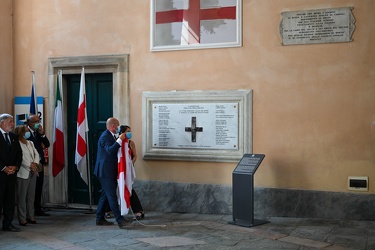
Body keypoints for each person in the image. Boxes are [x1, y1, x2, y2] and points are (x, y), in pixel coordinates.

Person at [94, 118, 132, 229]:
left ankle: (99, 218)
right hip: (105, 171)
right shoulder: (104, 136)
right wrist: (119, 140)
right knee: (111, 195)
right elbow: (110, 150)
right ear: (113, 126)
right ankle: (120, 220)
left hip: (110, 170)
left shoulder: (111, 135)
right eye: (118, 126)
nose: (119, 128)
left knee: (105, 195)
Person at [0, 113, 23, 232]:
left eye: (12, 121)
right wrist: (3, 168)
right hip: (1, 174)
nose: (13, 124)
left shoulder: (13, 137)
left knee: (10, 200)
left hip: (11, 174)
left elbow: (19, 154)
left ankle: (7, 224)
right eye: (10, 121)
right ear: (2, 123)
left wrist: (15, 167)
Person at [14, 124, 39, 226]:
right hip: (23, 172)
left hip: (33, 172)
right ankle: (22, 218)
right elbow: (20, 158)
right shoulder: (17, 143)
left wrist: (35, 164)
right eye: (26, 131)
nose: (28, 132)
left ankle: (31, 216)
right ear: (21, 133)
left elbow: (36, 153)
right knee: (22, 197)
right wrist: (30, 165)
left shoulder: (30, 143)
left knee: (31, 196)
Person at [26, 114, 50, 216]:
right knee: (31, 188)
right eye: (35, 122)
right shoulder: (25, 133)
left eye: (38, 121)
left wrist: (42, 134)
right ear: (29, 123)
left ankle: (38, 208)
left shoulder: (38, 132)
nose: (37, 123)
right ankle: (29, 210)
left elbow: (47, 144)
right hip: (29, 164)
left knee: (39, 186)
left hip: (39, 163)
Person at [120, 125, 144, 220]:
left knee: (129, 188)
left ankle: (139, 211)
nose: (130, 133)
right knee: (114, 189)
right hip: (119, 170)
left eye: (130, 131)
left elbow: (135, 156)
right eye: (128, 131)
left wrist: (130, 163)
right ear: (122, 133)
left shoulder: (131, 143)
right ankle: (107, 210)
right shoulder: (118, 142)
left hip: (128, 169)